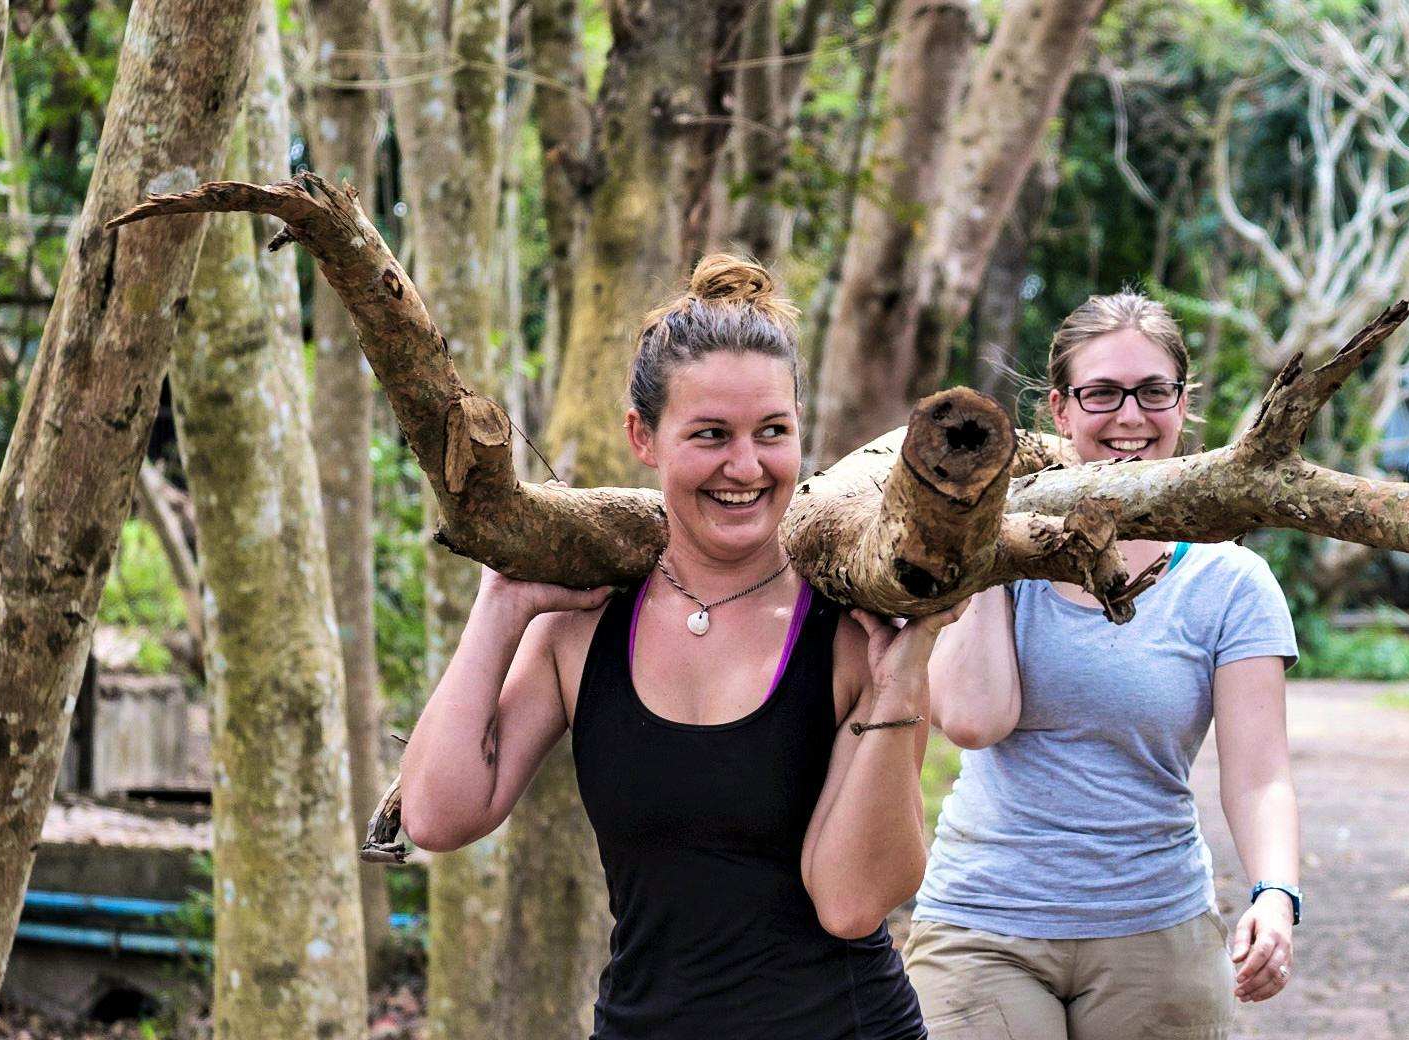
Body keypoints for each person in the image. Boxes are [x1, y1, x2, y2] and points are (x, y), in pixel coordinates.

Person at [397, 255, 940, 1040]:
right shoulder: (579, 630)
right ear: (642, 436)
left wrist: (899, 692)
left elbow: (854, 903)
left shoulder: (858, 635)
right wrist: (502, 600)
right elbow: (440, 815)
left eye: (772, 433)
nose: (745, 467)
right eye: (710, 435)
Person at [905, 291, 1303, 1039]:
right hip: (981, 924)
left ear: (1182, 404)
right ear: (1060, 410)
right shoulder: (993, 545)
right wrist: (989, 536)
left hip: (1155, 923)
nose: (1129, 417)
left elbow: (1259, 775)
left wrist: (1274, 893)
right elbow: (972, 720)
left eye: (1154, 391)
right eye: (1102, 393)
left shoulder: (1229, 582)